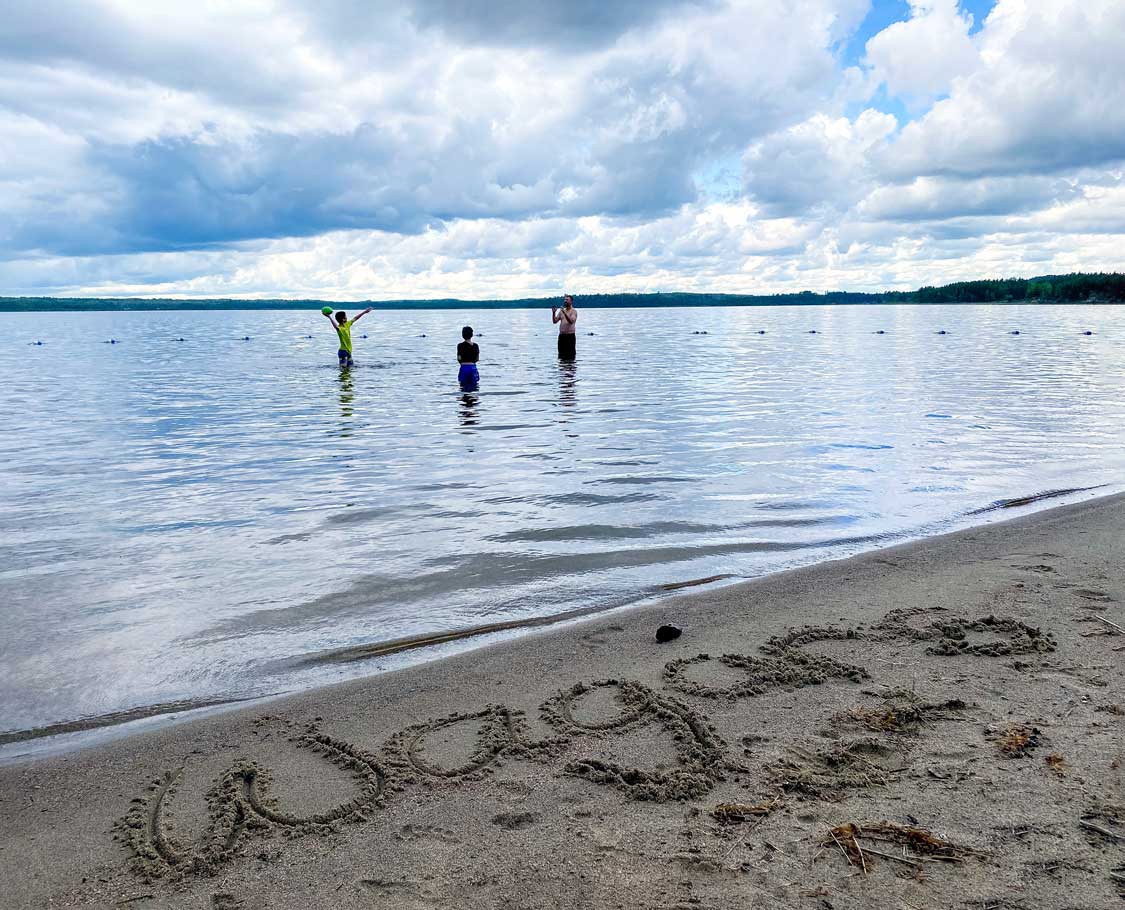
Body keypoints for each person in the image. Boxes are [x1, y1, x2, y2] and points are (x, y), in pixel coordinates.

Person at [552, 294, 578, 360]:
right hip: (562, 337)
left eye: (567, 300)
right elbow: (555, 321)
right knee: (561, 355)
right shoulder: (561, 311)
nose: (565, 301)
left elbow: (571, 321)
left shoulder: (574, 311)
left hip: (570, 337)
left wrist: (564, 312)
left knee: (570, 355)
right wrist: (554, 313)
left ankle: (570, 368)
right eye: (565, 300)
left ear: (571, 301)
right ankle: (562, 369)